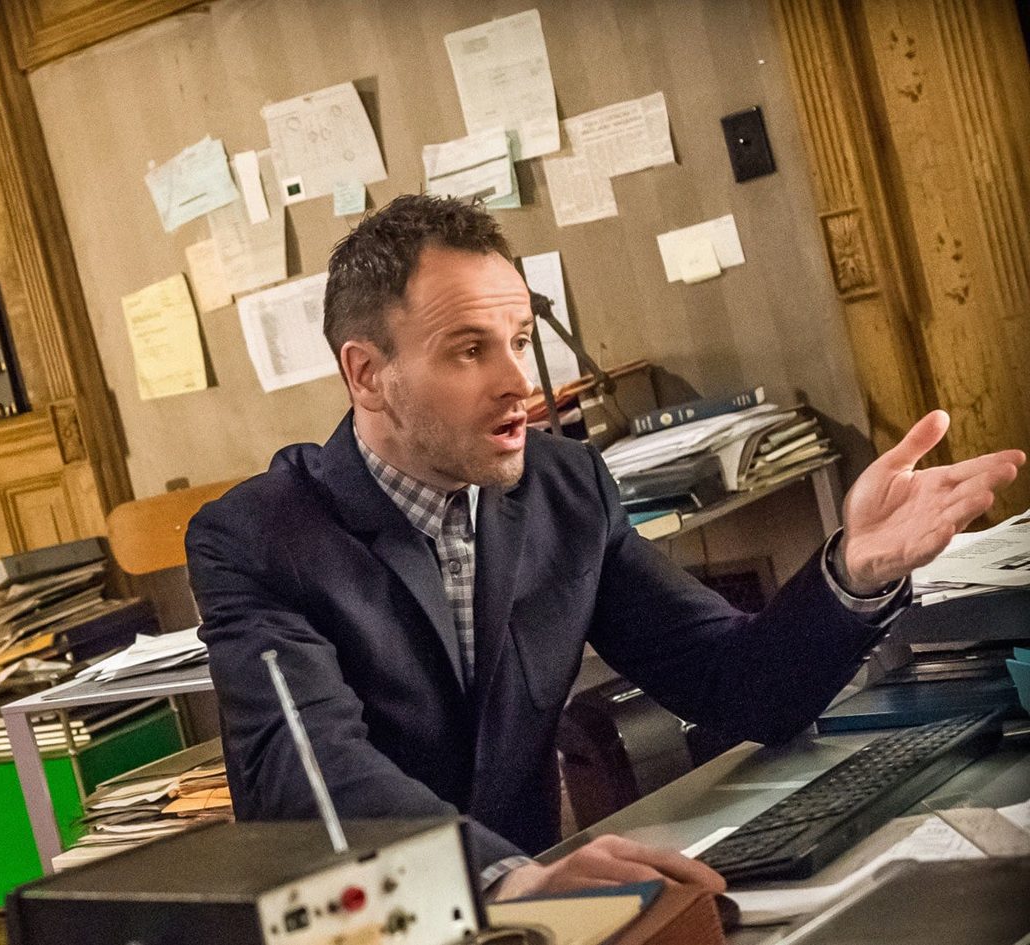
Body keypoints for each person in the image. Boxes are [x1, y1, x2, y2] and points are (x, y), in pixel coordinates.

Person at [185, 194, 1023, 900]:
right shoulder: (258, 537)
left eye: (520, 340)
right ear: (367, 374)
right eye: (470, 350)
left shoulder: (565, 488)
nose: (519, 382)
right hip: (374, 918)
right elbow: (312, 775)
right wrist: (506, 878)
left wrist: (853, 571)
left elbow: (734, 682)